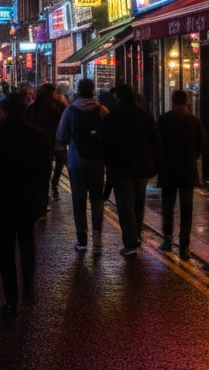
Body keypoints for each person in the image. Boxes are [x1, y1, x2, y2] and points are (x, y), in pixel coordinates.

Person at [0, 94, 51, 316]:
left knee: (6, 249)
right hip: (28, 197)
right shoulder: (36, 135)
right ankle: (29, 288)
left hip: (4, 199)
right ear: (24, 110)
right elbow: (45, 170)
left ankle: (11, 298)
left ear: (3, 111)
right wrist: (41, 194)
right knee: (27, 243)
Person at [102, 84, 160, 257]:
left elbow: (106, 145)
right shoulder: (146, 116)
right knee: (138, 203)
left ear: (118, 97)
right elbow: (156, 143)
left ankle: (130, 242)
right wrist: (155, 165)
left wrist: (108, 165)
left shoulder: (112, 117)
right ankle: (136, 236)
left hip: (121, 167)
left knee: (125, 205)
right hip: (142, 167)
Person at [56, 78, 110, 252]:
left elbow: (61, 138)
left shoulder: (70, 111)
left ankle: (82, 240)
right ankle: (98, 240)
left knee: (78, 200)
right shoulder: (102, 111)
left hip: (76, 162)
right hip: (97, 162)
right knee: (97, 199)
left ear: (78, 91)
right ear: (93, 91)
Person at [156, 90, 206, 260]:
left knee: (167, 207)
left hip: (168, 169)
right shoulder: (194, 121)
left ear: (172, 101)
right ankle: (184, 245)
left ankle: (167, 240)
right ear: (187, 102)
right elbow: (202, 144)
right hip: (187, 170)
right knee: (186, 208)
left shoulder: (163, 120)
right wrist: (193, 157)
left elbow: (157, 144)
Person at [26, 84, 66, 202]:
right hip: (51, 141)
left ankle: (50, 190)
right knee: (51, 167)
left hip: (49, 142)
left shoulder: (36, 107)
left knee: (53, 166)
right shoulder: (55, 106)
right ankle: (50, 189)